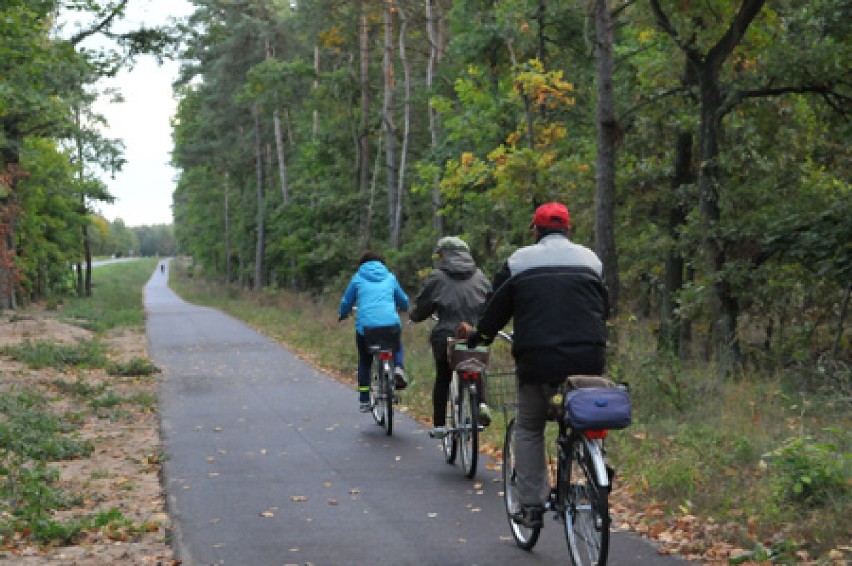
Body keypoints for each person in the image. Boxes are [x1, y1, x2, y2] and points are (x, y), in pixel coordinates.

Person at [467, 202, 609, 529]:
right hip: (588, 358)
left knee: (530, 427)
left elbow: (494, 312)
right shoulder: (592, 261)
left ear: (536, 230)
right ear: (568, 229)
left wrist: (480, 337)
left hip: (538, 361)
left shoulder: (519, 262)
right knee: (589, 413)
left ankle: (530, 505)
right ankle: (597, 473)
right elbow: (605, 308)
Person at [409, 236, 492, 439]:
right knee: (476, 366)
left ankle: (438, 424)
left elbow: (423, 306)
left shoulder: (437, 277)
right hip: (476, 334)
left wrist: (416, 316)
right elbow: (492, 303)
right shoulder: (480, 276)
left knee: (444, 375)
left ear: (445, 255)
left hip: (447, 335)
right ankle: (481, 403)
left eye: (440, 254)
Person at [339, 251, 410, 412]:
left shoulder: (358, 277)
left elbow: (346, 301)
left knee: (365, 361)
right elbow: (403, 300)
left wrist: (343, 313)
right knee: (396, 344)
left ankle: (364, 399)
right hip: (390, 324)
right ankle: (398, 367)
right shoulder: (390, 277)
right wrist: (404, 308)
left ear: (362, 264)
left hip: (367, 328)